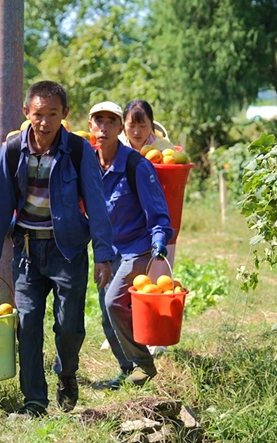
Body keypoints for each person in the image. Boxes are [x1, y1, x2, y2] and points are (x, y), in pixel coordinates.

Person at [0, 81, 115, 418]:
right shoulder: (12, 149)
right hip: (26, 252)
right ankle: (35, 401)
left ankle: (67, 373)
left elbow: (96, 205)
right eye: (38, 114)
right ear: (27, 113)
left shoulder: (80, 151)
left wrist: (104, 255)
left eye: (53, 114)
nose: (44, 122)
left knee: (69, 326)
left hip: (67, 252)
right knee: (28, 325)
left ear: (64, 115)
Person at [88, 101, 173, 388]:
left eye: (110, 121)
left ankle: (144, 365)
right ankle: (126, 370)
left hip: (137, 248)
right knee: (106, 316)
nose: (104, 127)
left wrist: (159, 241)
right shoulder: (88, 165)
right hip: (106, 251)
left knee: (114, 303)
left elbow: (158, 212)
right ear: (91, 127)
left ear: (118, 127)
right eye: (98, 121)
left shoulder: (137, 165)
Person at [121, 100, 177, 284]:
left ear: (151, 126)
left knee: (155, 279)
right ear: (123, 126)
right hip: (126, 217)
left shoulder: (164, 149)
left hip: (154, 214)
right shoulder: (117, 146)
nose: (137, 132)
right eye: (132, 125)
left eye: (142, 125)